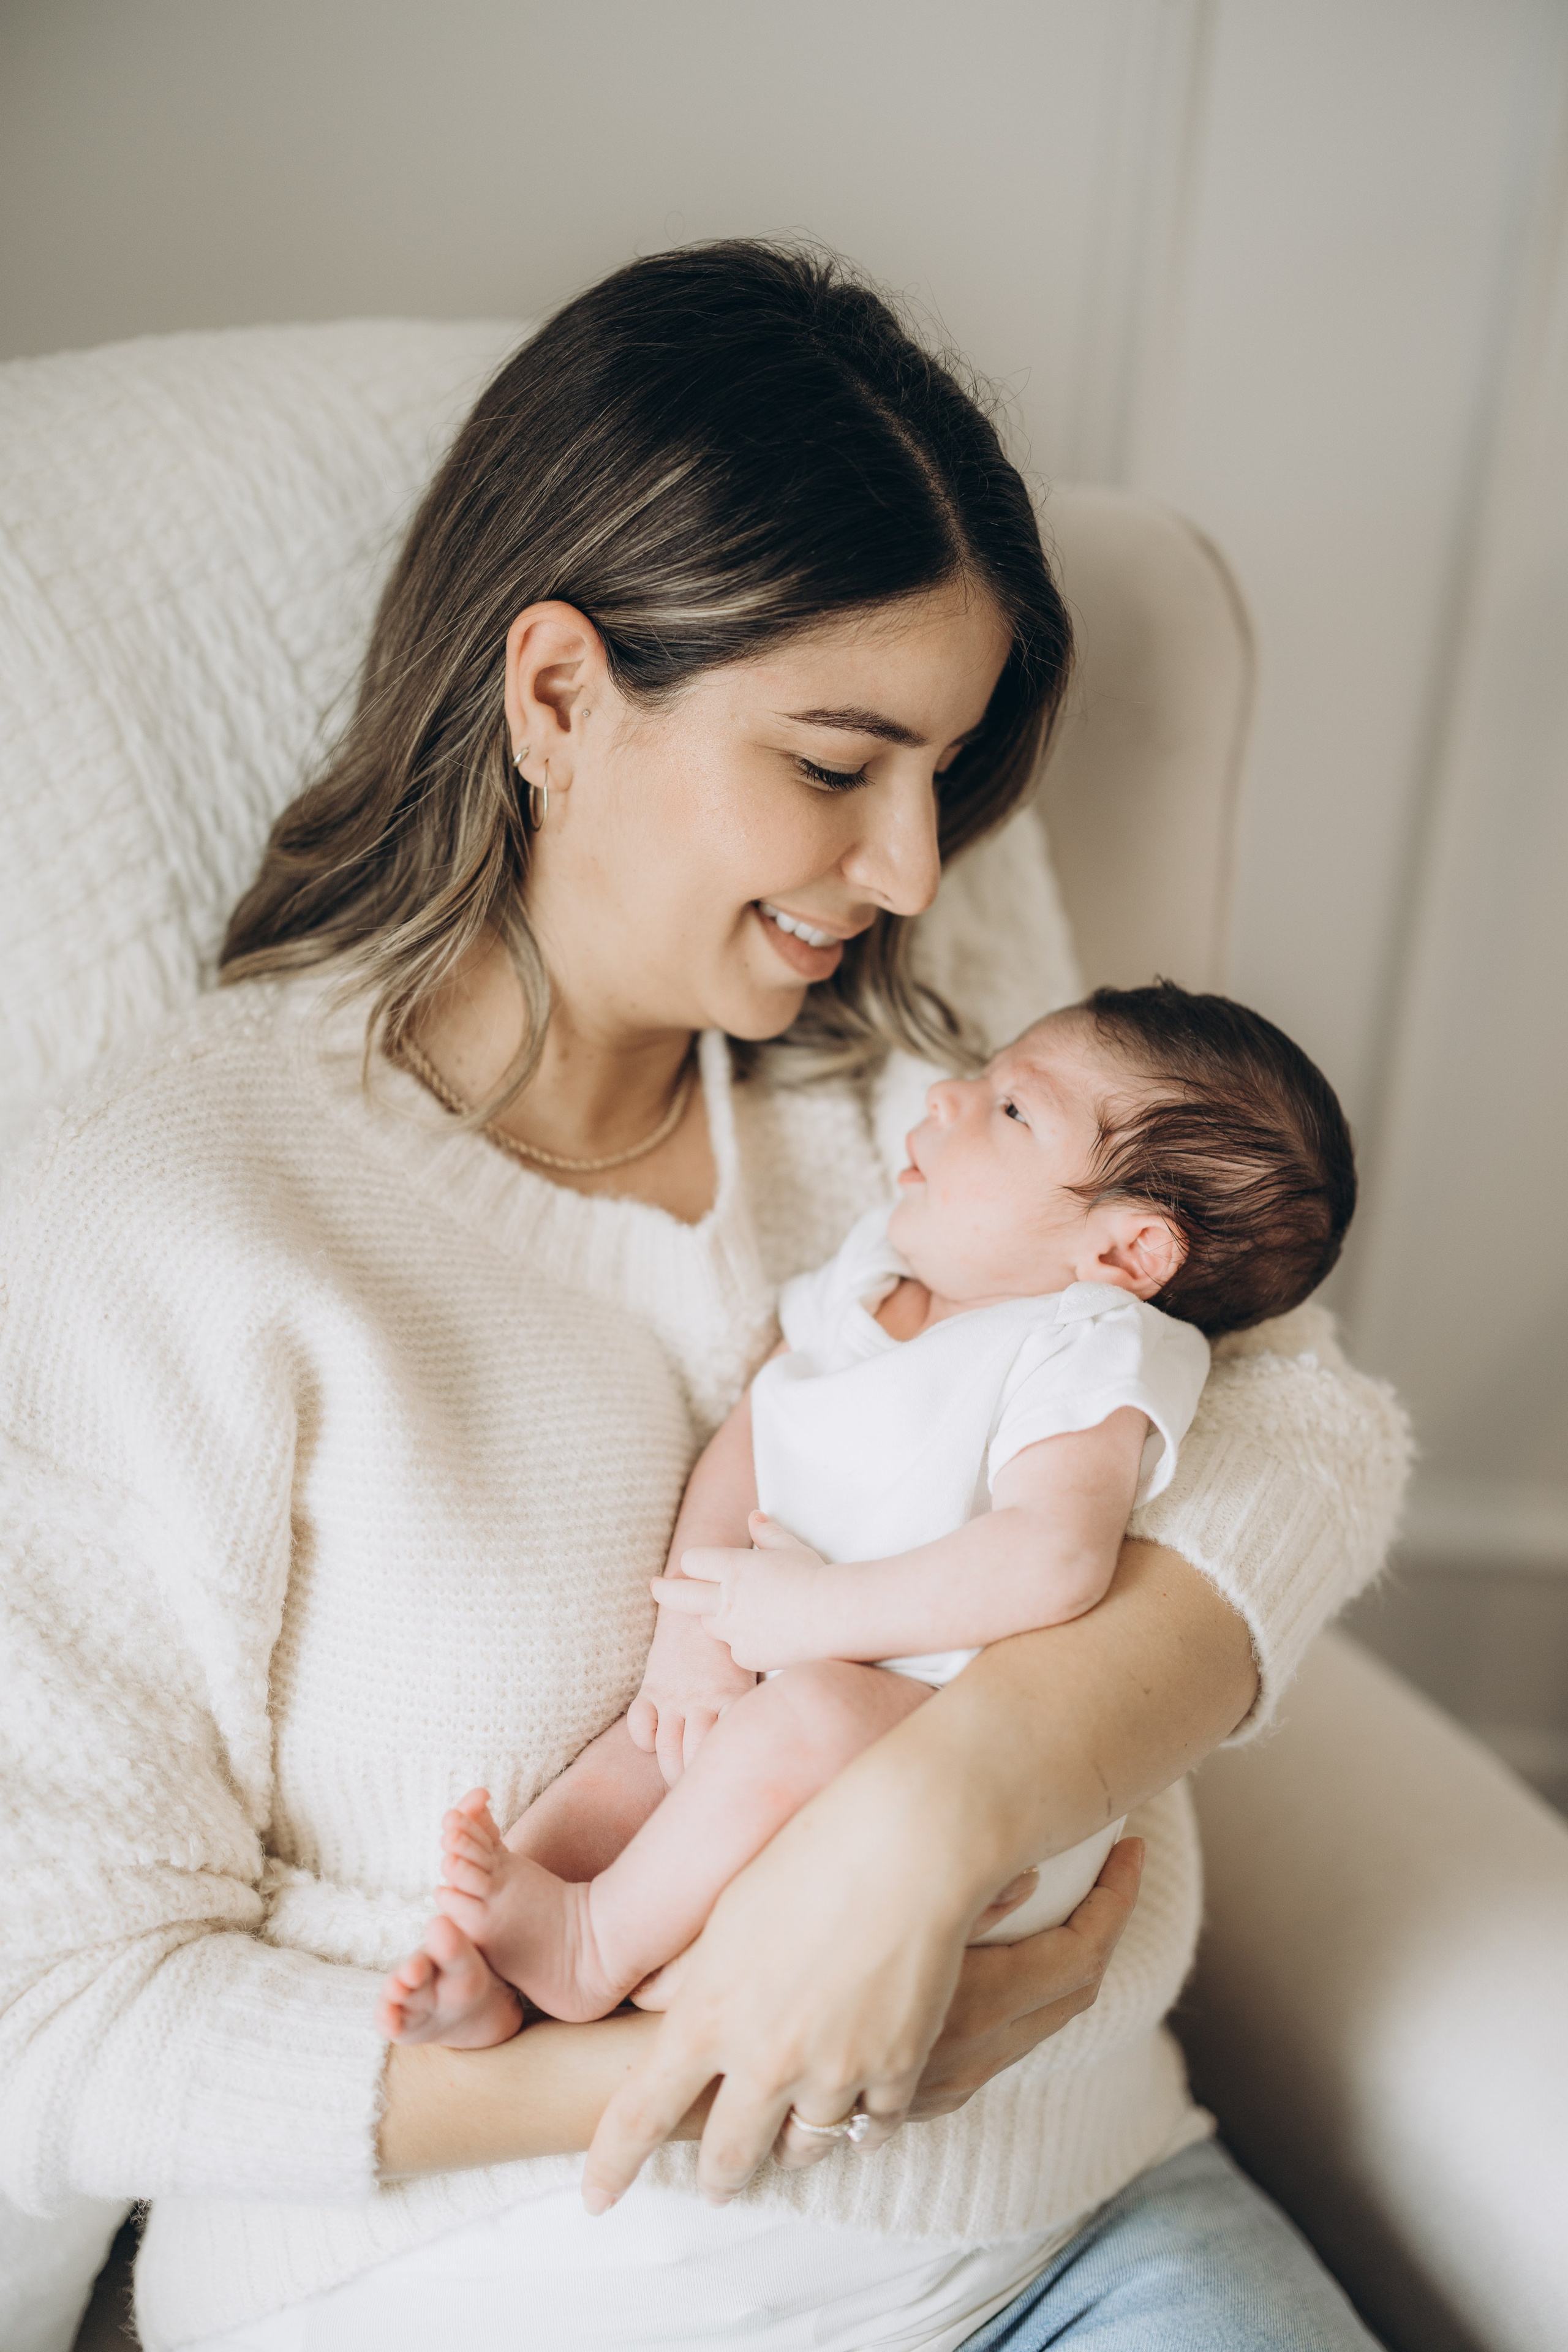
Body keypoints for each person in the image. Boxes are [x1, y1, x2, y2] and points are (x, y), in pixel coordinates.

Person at [0, 243, 1406, 2351]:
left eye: (944, 775)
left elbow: (1303, 1423)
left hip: (1071, 2227)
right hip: (489, 2282)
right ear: (558, 694)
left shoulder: (928, 1119)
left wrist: (943, 1819)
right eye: (840, 767)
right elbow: (66, 2018)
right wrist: (760, 2036)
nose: (921, 869)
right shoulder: (168, 1218)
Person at [377, 982, 1354, 2052]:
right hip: (785, 1674)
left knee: (802, 1721)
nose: (946, 1096)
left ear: (1126, 1254)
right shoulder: (874, 1270)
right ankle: (488, 1972)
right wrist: (691, 1642)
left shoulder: (1085, 1344)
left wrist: (812, 1619)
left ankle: (589, 1948)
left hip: (944, 1744)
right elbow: (755, 1433)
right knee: (644, 1754)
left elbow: (1054, 1557)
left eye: (1013, 1111)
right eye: (980, 1077)